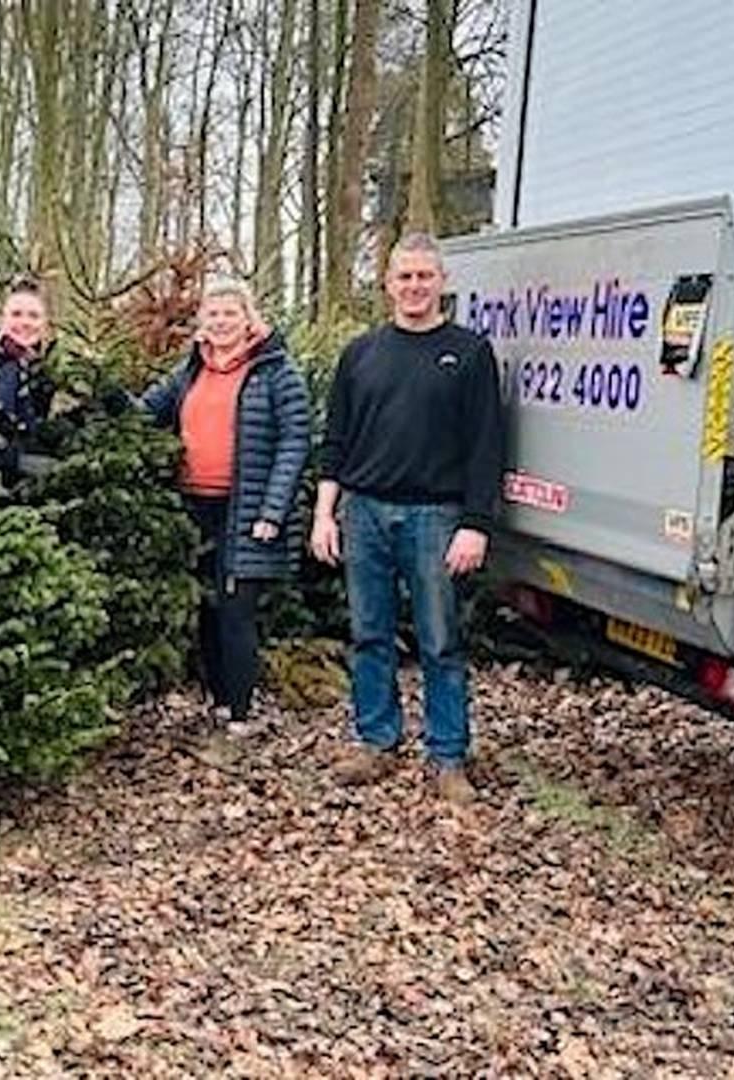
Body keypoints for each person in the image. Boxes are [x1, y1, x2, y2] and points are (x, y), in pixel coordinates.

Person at [311, 233, 506, 805]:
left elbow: (486, 446)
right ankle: (376, 739)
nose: (415, 286)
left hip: (435, 516)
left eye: (425, 276)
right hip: (363, 510)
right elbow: (336, 441)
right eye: (405, 276)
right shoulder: (361, 354)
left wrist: (476, 524)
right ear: (388, 283)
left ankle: (448, 755)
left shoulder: (469, 353)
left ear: (442, 282)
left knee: (439, 639)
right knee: (369, 632)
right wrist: (325, 513)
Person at [140, 278, 311, 755]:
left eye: (229, 314)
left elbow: (296, 442)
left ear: (248, 319)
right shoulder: (191, 370)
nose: (220, 323)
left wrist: (272, 511)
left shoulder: (276, 372)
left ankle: (239, 715)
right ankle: (216, 701)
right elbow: (148, 411)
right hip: (196, 506)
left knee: (237, 611)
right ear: (202, 323)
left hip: (247, 509)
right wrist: (107, 404)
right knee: (206, 609)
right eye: (212, 315)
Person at [0, 275, 63, 482]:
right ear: (2, 318)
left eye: (34, 316)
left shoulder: (40, 370)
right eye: (16, 314)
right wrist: (19, 463)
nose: (25, 323)